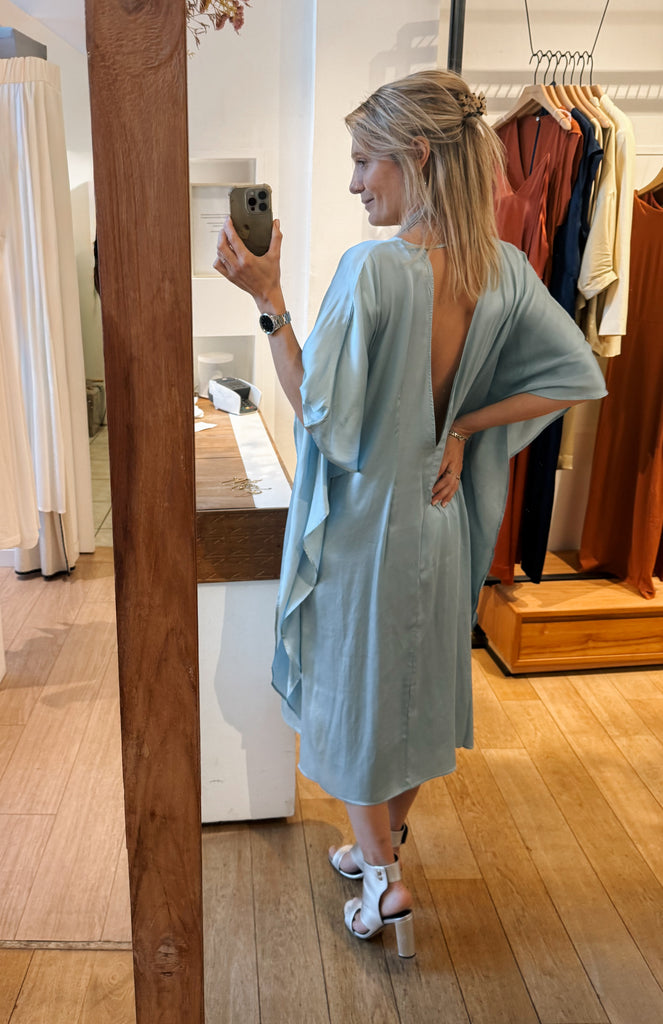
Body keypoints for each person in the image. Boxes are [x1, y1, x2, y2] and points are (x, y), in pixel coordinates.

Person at [213, 69, 606, 958]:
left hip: (364, 528)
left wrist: (269, 303)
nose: (354, 182)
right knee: (416, 693)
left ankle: (385, 882)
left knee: (353, 697)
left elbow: (320, 415)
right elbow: (576, 373)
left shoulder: (373, 271)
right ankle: (374, 846)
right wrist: (462, 424)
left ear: (417, 155)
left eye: (365, 160)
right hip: (440, 521)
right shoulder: (503, 270)